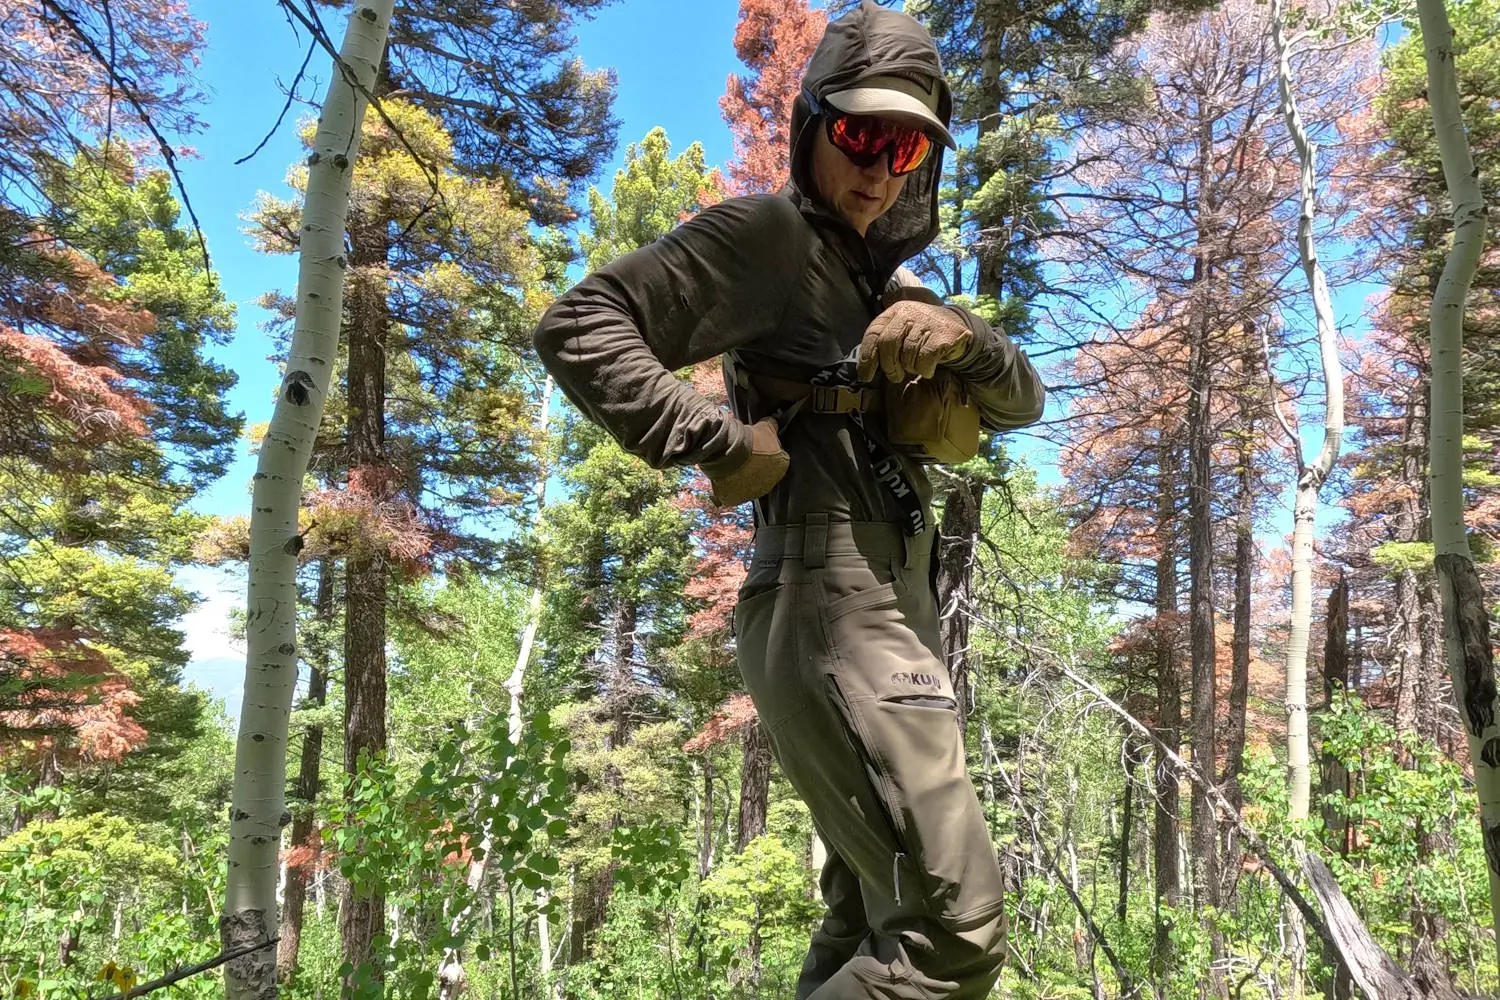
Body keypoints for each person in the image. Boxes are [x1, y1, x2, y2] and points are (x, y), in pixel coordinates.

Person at [533, 3, 1044, 996]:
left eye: (905, 145)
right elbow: (582, 324)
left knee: (868, 910)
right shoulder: (771, 237)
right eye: (860, 132)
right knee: (954, 932)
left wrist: (965, 338)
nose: (879, 164)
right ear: (814, 125)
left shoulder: (879, 285)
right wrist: (715, 440)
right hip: (833, 604)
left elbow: (1022, 400)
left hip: (888, 610)